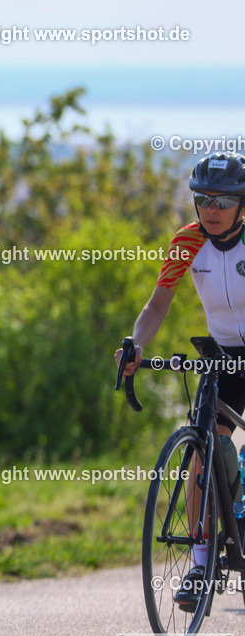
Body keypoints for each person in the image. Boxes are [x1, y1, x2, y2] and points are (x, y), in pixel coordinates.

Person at [117, 152, 245, 610]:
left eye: (224, 200)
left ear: (242, 204)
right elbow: (157, 305)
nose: (211, 208)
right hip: (221, 353)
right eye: (204, 199)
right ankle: (200, 562)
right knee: (203, 448)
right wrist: (136, 345)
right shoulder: (186, 242)